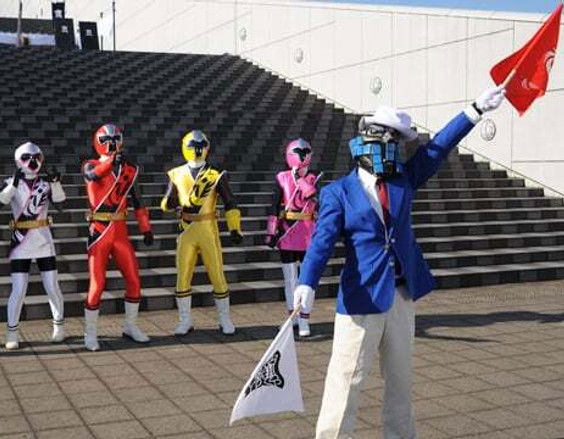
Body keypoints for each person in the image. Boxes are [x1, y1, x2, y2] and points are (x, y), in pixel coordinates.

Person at [293, 85, 506, 438]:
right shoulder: (338, 192)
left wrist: (475, 110)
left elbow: (438, 148)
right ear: (368, 141)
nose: (393, 150)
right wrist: (306, 282)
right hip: (361, 299)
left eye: (396, 144)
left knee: (400, 383)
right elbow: (322, 242)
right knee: (345, 383)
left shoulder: (403, 179)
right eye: (388, 141)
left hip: (402, 296)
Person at [160, 130, 243, 336]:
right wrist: (169, 203)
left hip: (208, 229)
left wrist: (234, 227)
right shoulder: (176, 173)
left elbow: (230, 202)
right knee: (183, 276)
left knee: (217, 274)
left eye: (201, 146)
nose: (197, 150)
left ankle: (224, 319)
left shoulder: (215, 174)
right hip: (186, 230)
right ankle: (184, 320)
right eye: (193, 146)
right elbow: (167, 201)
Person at [81, 123, 154, 351]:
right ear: (98, 142)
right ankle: (90, 333)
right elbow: (92, 177)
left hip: (120, 230)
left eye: (115, 139)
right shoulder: (90, 164)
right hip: (99, 230)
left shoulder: (129, 169)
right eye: (106, 140)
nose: (111, 144)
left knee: (134, 279)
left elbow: (138, 201)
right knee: (97, 284)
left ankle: (130, 326)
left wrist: (146, 228)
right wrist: (111, 163)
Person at [0, 141, 67, 349]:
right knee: (18, 290)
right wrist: (13, 185)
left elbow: (61, 206)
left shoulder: (45, 184)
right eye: (26, 158)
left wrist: (55, 183)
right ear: (19, 160)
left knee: (52, 286)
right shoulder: (11, 182)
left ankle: (59, 327)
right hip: (21, 243)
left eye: (36, 157)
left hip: (43, 240)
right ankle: (12, 333)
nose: (32, 162)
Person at [265, 138, 321, 336]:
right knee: (290, 279)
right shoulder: (282, 177)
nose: (303, 156)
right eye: (299, 152)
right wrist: (271, 231)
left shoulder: (314, 177)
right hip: (288, 233)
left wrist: (301, 180)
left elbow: (316, 199)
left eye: (306, 152)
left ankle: (304, 319)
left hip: (308, 232)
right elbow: (274, 206)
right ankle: (292, 318)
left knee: (307, 279)